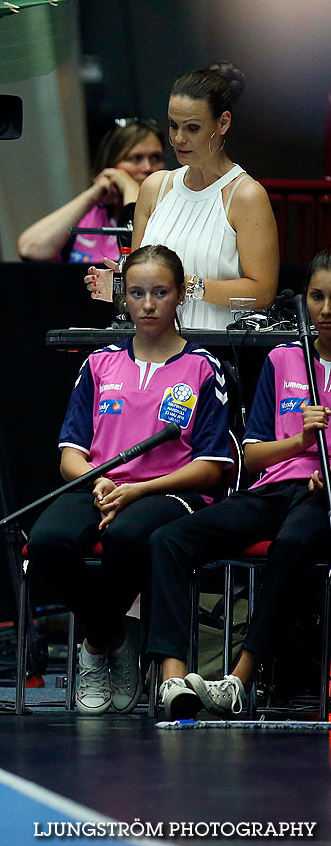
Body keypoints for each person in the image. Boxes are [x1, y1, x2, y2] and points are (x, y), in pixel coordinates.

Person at [27, 245, 233, 715]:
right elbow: (71, 456)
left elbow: (213, 466)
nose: (148, 304)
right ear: (123, 297)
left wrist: (139, 489)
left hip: (170, 490)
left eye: (160, 292)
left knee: (127, 537)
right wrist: (98, 481)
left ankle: (95, 648)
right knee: (46, 542)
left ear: (180, 295)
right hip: (101, 485)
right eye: (137, 293)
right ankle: (114, 634)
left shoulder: (203, 366)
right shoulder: (99, 363)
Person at [148, 252, 331, 719]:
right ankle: (173, 680)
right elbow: (252, 456)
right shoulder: (283, 358)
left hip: (322, 495)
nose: (325, 309)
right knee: (169, 539)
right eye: (316, 296)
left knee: (290, 544)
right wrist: (300, 440)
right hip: (275, 488)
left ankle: (238, 681)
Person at [85, 64, 279, 328]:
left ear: (223, 122)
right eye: (173, 125)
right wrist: (123, 287)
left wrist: (186, 286)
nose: (178, 139)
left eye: (192, 128)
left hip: (217, 350)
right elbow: (142, 282)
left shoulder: (246, 195)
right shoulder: (155, 187)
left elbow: (262, 294)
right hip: (154, 347)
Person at [16, 118, 166, 262]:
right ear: (111, 164)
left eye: (156, 158)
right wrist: (91, 195)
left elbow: (142, 254)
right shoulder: (90, 214)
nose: (148, 168)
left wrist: (128, 185)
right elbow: (30, 249)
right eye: (136, 158)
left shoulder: (167, 214)